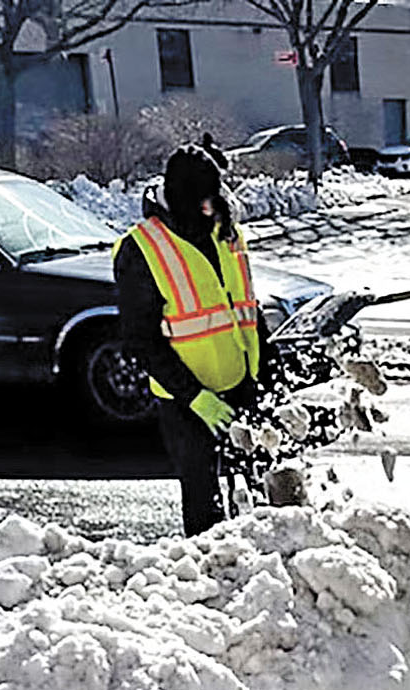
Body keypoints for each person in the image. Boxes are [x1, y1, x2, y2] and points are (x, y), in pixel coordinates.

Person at [114, 141, 263, 537]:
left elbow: (245, 304)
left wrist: (265, 370)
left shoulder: (225, 231)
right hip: (186, 402)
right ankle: (209, 581)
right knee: (204, 503)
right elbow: (141, 340)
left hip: (241, 384)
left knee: (261, 492)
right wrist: (195, 397)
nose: (210, 209)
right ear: (180, 200)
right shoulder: (141, 250)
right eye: (202, 201)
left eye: (214, 198)